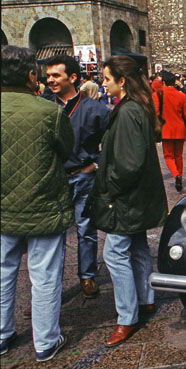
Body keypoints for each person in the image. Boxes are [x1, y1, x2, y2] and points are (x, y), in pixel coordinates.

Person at [87, 55, 168, 348]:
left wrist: (110, 187)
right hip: (137, 198)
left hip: (126, 198)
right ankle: (145, 301)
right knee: (137, 247)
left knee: (115, 254)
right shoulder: (136, 108)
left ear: (122, 81)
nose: (103, 83)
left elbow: (129, 164)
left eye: (107, 78)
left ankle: (127, 317)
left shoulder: (128, 111)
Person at [1, 45, 74, 362]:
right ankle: (45, 341)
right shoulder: (50, 112)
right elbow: (66, 150)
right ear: (31, 75)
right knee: (44, 277)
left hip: (2, 209)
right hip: (43, 205)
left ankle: (2, 336)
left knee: (2, 274)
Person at [43, 55, 110, 299]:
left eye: (55, 75)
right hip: (53, 179)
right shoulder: (43, 106)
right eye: (48, 75)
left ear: (72, 78)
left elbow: (112, 145)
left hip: (82, 177)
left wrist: (95, 165)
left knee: (86, 229)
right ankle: (48, 288)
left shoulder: (95, 110)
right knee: (51, 235)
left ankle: (87, 276)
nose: (50, 80)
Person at [152, 71, 186, 191]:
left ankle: (176, 175)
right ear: (175, 82)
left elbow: (155, 113)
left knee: (168, 156)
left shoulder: (157, 95)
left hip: (166, 129)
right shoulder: (181, 95)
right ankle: (180, 177)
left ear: (163, 82)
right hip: (180, 129)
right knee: (178, 156)